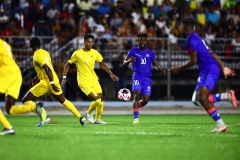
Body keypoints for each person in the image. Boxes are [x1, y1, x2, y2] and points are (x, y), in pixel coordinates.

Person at [170, 18, 238, 132]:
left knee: (202, 98)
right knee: (197, 100)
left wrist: (179, 68)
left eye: (182, 27)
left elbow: (194, 60)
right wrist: (223, 67)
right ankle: (226, 96)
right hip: (207, 70)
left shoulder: (190, 41)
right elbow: (212, 52)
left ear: (185, 28)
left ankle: (221, 125)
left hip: (209, 69)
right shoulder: (198, 38)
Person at [20, 37, 86, 127]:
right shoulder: (45, 52)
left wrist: (51, 84)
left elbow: (47, 69)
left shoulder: (36, 56)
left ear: (31, 46)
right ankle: (81, 118)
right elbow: (47, 68)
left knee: (25, 100)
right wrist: (37, 77)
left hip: (47, 82)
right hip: (53, 79)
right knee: (63, 100)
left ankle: (44, 116)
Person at [61, 34, 119, 124]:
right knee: (97, 100)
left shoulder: (95, 52)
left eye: (92, 42)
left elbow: (102, 64)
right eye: (88, 42)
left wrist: (111, 74)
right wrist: (64, 77)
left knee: (101, 100)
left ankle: (97, 119)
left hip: (93, 79)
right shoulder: (77, 53)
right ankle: (89, 113)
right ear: (84, 42)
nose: (90, 44)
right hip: (83, 81)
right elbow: (67, 65)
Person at [123, 32, 166, 124]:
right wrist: (130, 60)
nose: (142, 41)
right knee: (137, 93)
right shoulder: (132, 51)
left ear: (146, 41)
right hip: (137, 76)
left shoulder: (150, 52)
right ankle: (136, 118)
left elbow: (154, 63)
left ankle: (136, 106)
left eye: (144, 39)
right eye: (141, 39)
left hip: (147, 78)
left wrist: (160, 69)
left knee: (145, 100)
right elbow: (124, 63)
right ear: (138, 40)